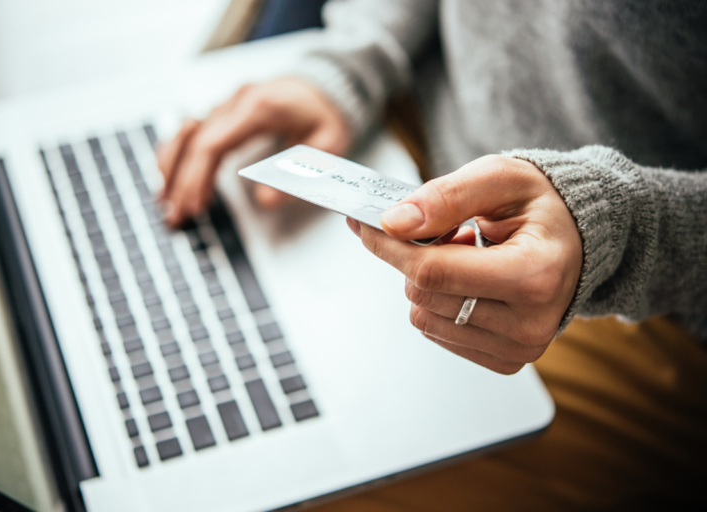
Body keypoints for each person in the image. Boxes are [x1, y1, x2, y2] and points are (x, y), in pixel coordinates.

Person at [158, 1, 707, 509]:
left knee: (257, 488)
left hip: (632, 289)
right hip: (403, 104)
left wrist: (628, 227)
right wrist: (352, 62)